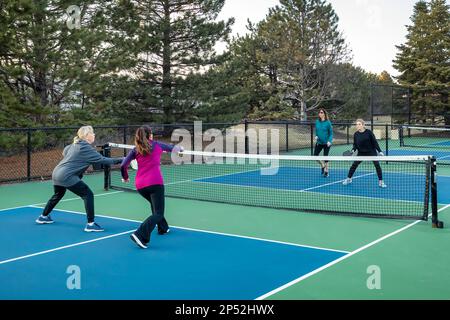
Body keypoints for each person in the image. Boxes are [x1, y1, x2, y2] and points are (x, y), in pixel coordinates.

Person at [35, 125, 124, 231]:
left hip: (56, 173)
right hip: (67, 176)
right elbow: (103, 160)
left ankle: (43, 217)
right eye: (92, 133)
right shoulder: (85, 147)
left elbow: (65, 152)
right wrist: (123, 159)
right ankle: (91, 224)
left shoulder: (74, 145)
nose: (94, 134)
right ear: (87, 136)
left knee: (58, 194)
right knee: (88, 194)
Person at [121, 125, 183, 249]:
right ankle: (140, 235)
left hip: (140, 186)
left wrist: (126, 177)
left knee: (155, 206)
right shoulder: (157, 145)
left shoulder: (135, 149)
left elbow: (123, 165)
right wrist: (180, 148)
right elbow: (174, 148)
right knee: (158, 213)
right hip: (155, 183)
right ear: (150, 135)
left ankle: (163, 228)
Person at [342, 119, 387, 188]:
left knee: (377, 165)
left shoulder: (369, 132)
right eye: (357, 124)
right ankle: (349, 179)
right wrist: (353, 150)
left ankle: (381, 182)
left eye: (359, 124)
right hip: (361, 152)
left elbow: (375, 142)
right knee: (354, 165)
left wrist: (380, 151)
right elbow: (355, 144)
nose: (357, 125)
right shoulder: (356, 134)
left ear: (363, 125)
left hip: (371, 152)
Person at [314, 108, 333, 177]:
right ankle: (322, 165)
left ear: (324, 114)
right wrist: (316, 136)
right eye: (319, 112)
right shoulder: (317, 122)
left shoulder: (328, 123)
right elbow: (317, 131)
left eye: (321, 112)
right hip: (319, 142)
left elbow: (331, 133)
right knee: (315, 156)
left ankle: (326, 171)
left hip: (326, 143)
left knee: (325, 157)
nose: (320, 113)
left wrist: (329, 141)